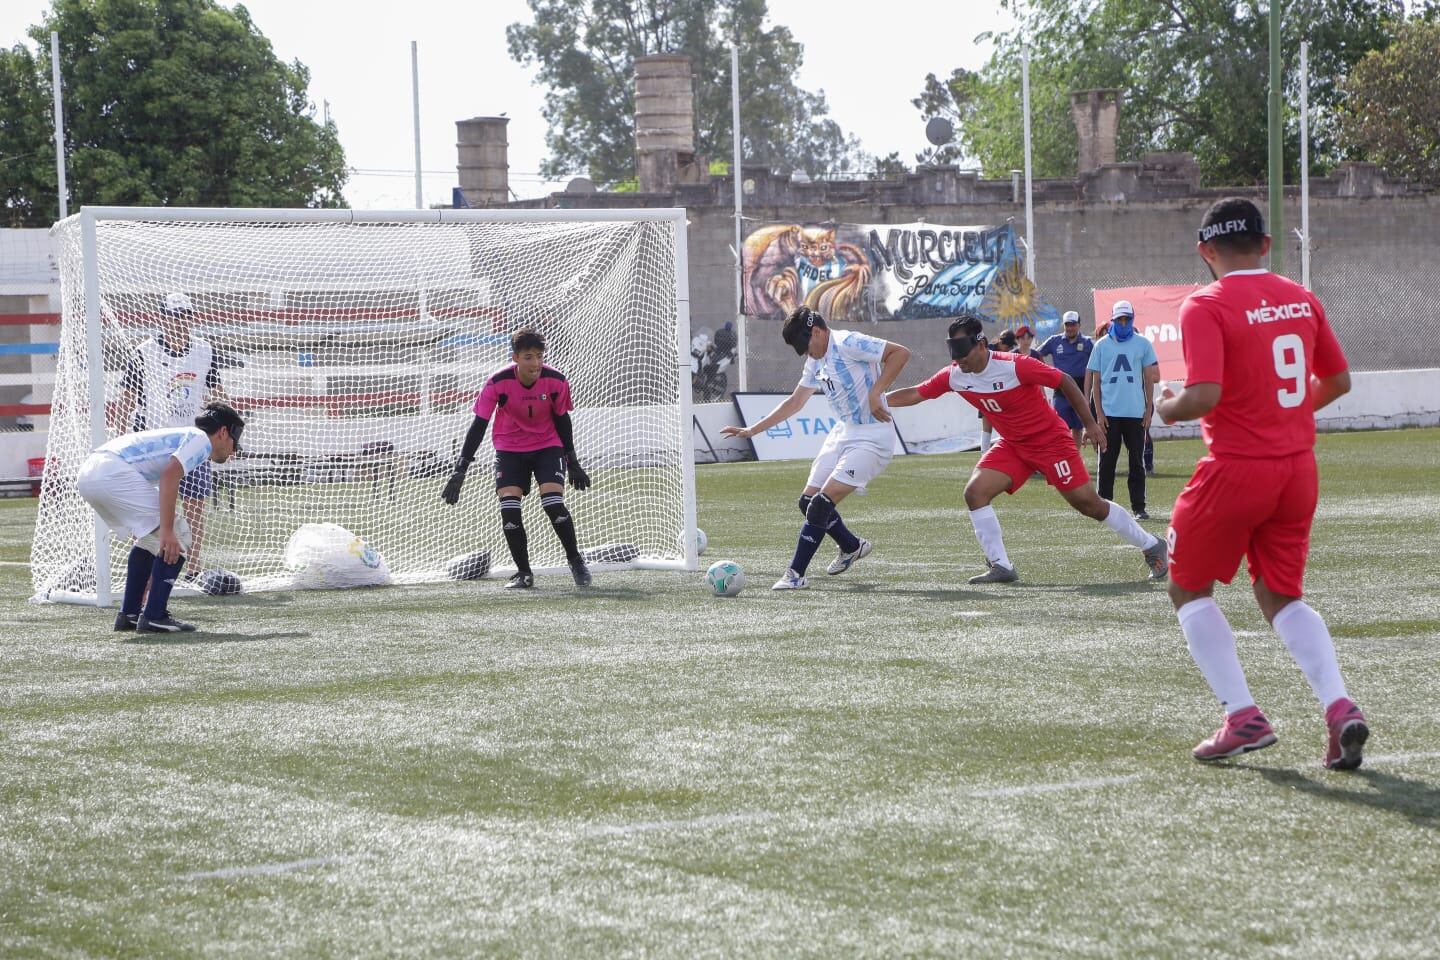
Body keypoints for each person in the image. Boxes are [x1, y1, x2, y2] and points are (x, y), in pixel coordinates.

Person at [1157, 197, 1367, 770]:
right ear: (1267, 245)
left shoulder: (1205, 304)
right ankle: (1338, 705)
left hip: (1235, 467)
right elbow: (1339, 379)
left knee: (1188, 587)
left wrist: (1167, 408)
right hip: (1297, 467)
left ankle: (1242, 715)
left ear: (1206, 252)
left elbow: (1204, 396)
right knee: (1281, 596)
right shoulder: (1302, 297)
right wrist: (1289, 414)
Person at [888, 313, 1168, 584]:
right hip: (1014, 445)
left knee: (1089, 505)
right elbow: (915, 393)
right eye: (953, 352)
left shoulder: (1015, 365)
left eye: (963, 351)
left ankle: (1152, 545)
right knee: (975, 493)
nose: (958, 359)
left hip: (1050, 442)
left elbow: (1065, 381)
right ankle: (1001, 566)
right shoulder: (955, 375)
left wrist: (1090, 424)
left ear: (981, 344)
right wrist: (877, 399)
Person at [720, 306, 910, 590]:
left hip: (873, 436)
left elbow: (900, 353)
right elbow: (795, 403)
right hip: (844, 431)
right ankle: (851, 546)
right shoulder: (816, 359)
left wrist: (876, 392)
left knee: (822, 504)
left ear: (818, 332)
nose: (806, 352)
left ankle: (795, 575)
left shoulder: (849, 343)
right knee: (807, 503)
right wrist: (752, 430)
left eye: (805, 344)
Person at [441, 328, 592, 589]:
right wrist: (460, 470)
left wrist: (573, 462)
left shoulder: (556, 380)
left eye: (539, 356)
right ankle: (524, 573)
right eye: (528, 357)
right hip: (510, 449)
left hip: (547, 446)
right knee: (509, 510)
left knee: (553, 503)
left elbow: (562, 420)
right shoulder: (497, 382)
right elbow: (479, 426)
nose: (535, 363)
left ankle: (575, 560)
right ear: (515, 357)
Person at [75, 401, 244, 633]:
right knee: (178, 533)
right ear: (223, 432)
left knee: (150, 539)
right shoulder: (201, 440)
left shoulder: (185, 435)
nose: (234, 451)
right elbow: (170, 475)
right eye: (234, 442)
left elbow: (166, 475)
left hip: (90, 473)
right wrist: (167, 531)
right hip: (110, 473)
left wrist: (162, 531)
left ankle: (130, 613)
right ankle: (154, 614)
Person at [113, 293, 230, 577]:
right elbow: (126, 397)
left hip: (193, 441)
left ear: (193, 318)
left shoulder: (205, 351)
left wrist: (224, 419)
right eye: (173, 316)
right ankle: (146, 568)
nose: (179, 321)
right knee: (149, 510)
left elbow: (215, 392)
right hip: (153, 444)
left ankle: (194, 565)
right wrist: (118, 435)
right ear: (162, 318)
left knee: (195, 504)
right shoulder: (144, 352)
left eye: (184, 316)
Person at [1087, 301, 1160, 520]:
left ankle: (1139, 506)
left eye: (1127, 319)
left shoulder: (1143, 344)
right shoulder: (1101, 346)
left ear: (1132, 319)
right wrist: (1098, 412)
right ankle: (1104, 507)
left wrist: (1148, 409)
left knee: (1137, 461)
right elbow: (1095, 382)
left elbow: (1149, 378)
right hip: (1109, 413)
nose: (1123, 323)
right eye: (1119, 319)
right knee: (1107, 461)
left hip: (1135, 413)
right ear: (1113, 319)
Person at [1037, 311, 1095, 449]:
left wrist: (1089, 393)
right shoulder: (1054, 341)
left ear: (1079, 325)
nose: (1070, 328)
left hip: (1080, 389)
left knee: (1077, 427)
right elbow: (1036, 353)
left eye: (1073, 325)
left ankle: (1075, 456)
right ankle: (1061, 455)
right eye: (1067, 325)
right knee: (1059, 426)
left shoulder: (1087, 343)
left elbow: (1097, 363)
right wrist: (1046, 370)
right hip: (1061, 389)